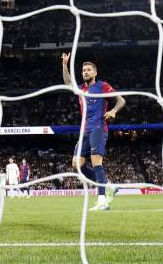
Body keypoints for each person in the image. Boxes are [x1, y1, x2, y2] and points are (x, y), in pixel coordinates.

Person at [61, 53, 124, 211]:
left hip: (98, 128)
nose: (86, 72)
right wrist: (65, 65)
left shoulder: (102, 86)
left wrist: (113, 111)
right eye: (84, 70)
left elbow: (121, 100)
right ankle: (108, 186)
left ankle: (102, 200)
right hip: (84, 130)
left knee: (96, 162)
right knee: (76, 164)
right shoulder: (81, 89)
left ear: (95, 72)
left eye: (89, 70)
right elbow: (68, 83)